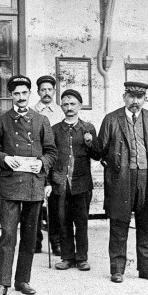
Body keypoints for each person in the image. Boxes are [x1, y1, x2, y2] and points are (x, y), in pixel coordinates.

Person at [0, 75, 57, 295]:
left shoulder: (41, 121)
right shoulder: (1, 121)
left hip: (33, 185)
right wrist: (5, 159)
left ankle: (23, 280)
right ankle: (2, 283)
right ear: (11, 95)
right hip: (10, 184)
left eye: (24, 93)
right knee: (8, 235)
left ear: (30, 94)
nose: (20, 97)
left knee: (29, 235)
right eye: (16, 93)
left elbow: (51, 152)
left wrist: (42, 163)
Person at [99, 81, 148, 284]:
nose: (135, 101)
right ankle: (117, 270)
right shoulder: (112, 119)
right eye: (131, 96)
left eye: (139, 97)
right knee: (119, 223)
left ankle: (146, 269)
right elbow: (101, 148)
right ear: (124, 97)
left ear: (144, 99)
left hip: (147, 178)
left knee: (146, 224)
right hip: (122, 178)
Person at [49, 89, 102, 272]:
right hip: (60, 184)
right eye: (65, 104)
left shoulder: (88, 128)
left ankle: (82, 258)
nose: (69, 108)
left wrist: (90, 143)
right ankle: (66, 257)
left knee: (81, 221)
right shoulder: (54, 130)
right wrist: (49, 182)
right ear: (61, 106)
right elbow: (50, 157)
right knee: (63, 221)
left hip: (81, 183)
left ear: (79, 106)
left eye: (73, 104)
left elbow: (97, 155)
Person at [34, 75, 64, 256]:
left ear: (54, 91)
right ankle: (35, 241)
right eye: (43, 90)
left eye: (49, 89)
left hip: (56, 161)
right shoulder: (32, 111)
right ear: (38, 92)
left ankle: (56, 242)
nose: (46, 93)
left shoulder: (61, 111)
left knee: (55, 204)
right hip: (38, 160)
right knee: (35, 202)